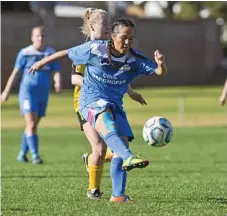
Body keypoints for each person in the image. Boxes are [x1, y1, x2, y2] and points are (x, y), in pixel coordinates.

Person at [29, 18, 167, 202]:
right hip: (90, 101)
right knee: (106, 123)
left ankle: (118, 195)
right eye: (124, 37)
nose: (127, 42)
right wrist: (41, 63)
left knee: (122, 143)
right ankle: (128, 158)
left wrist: (160, 64)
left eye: (131, 39)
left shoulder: (134, 58)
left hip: (115, 104)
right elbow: (66, 53)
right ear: (112, 35)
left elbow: (159, 73)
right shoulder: (95, 48)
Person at [71, 8, 147, 199]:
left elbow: (118, 74)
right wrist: (95, 84)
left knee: (113, 148)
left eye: (109, 22)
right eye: (105, 23)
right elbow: (75, 78)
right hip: (85, 102)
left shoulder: (111, 47)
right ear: (92, 25)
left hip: (108, 101)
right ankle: (93, 190)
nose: (108, 26)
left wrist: (130, 92)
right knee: (100, 148)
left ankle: (113, 189)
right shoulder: (88, 49)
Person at [1, 26, 61, 164]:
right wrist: (6, 92)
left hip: (43, 94)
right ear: (32, 37)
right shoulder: (25, 53)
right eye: (37, 36)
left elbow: (56, 70)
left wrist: (57, 82)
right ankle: (35, 156)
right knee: (31, 124)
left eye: (42, 36)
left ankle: (22, 154)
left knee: (32, 125)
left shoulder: (50, 53)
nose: (40, 38)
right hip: (27, 93)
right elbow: (15, 73)